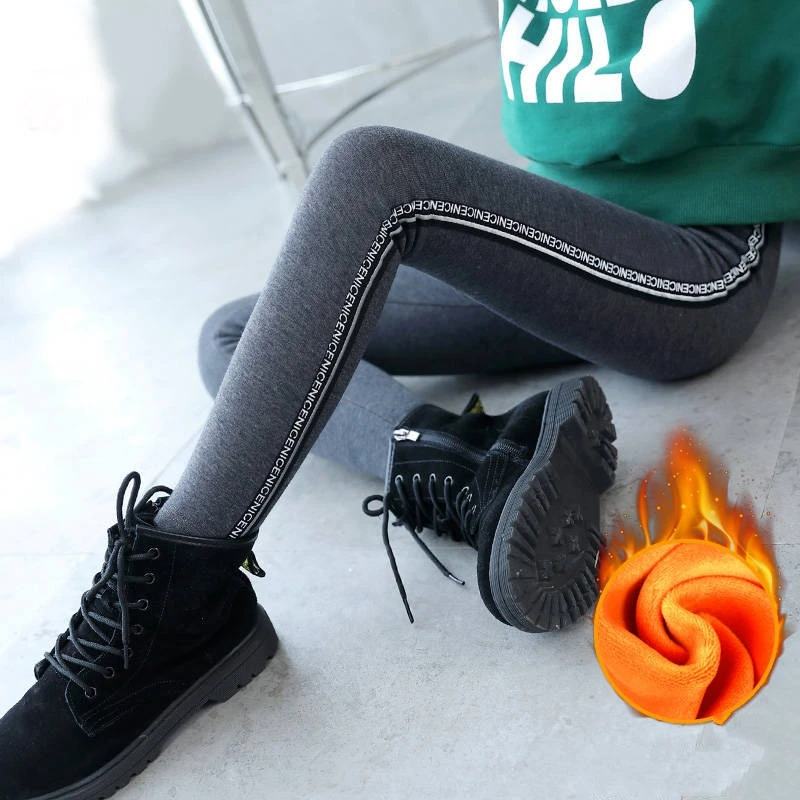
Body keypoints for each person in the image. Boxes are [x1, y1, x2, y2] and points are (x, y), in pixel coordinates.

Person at [1, 1, 797, 798]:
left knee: (373, 171)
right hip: (563, 232)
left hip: (694, 254)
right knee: (237, 334)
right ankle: (473, 469)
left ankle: (181, 604)